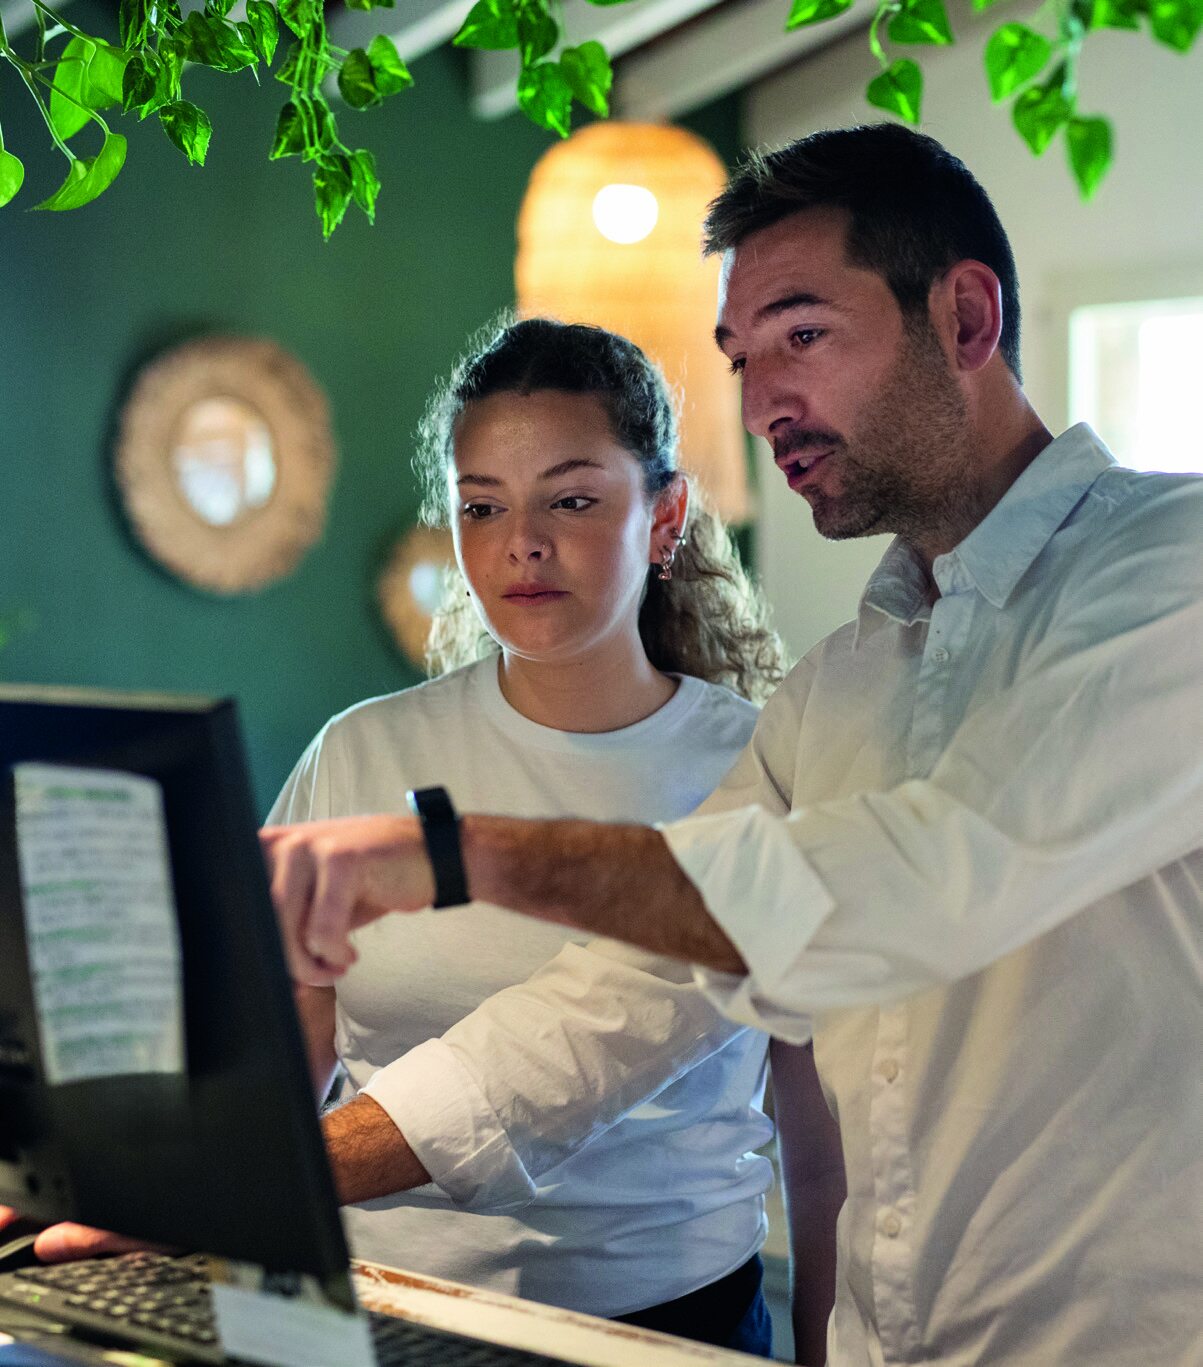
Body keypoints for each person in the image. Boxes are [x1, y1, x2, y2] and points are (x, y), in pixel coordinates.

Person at [262, 124, 1203, 1366]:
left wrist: (460, 851)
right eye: (740, 359)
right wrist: (243, 1185)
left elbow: (920, 877)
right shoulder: (840, 692)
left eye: (802, 335)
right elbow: (614, 1006)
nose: (761, 407)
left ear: (966, 318)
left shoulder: (1168, 569)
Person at [1, 317, 845, 1362]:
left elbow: (821, 1141)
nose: (520, 543)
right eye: (481, 505)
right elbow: (279, 1063)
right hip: (383, 1304)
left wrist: (828, 1345)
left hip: (665, 1320)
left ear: (665, 514)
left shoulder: (766, 767)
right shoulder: (362, 753)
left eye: (572, 498)